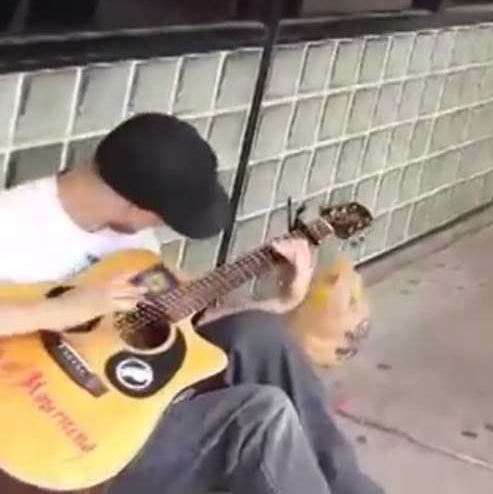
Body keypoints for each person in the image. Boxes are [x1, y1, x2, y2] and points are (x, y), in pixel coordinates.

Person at [0, 113, 383, 494]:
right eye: (161, 218)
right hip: (57, 441)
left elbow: (182, 330)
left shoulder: (135, 246)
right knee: (259, 419)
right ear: (134, 207)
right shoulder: (12, 222)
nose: (159, 227)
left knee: (257, 335)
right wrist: (62, 310)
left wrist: (279, 303)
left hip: (128, 397)